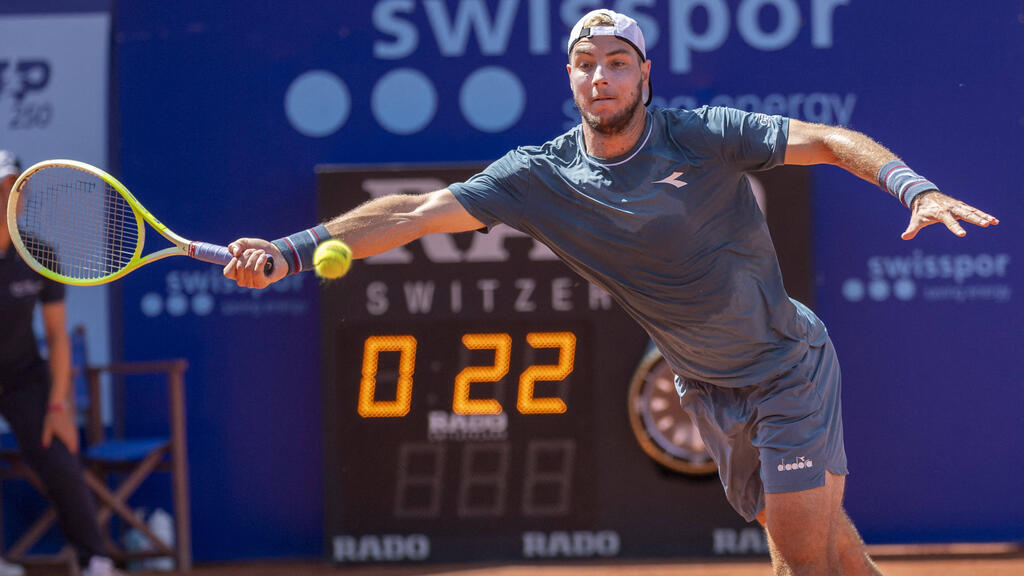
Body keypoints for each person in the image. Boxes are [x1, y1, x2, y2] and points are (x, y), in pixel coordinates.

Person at [223, 10, 998, 576]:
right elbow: (413, 214)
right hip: (705, 389)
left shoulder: (699, 133)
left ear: (644, 73)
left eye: (618, 61)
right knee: (831, 551)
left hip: (789, 367)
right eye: (587, 62)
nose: (602, 75)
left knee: (800, 563)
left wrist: (913, 188)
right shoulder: (537, 177)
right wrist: (292, 251)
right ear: (570, 77)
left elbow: (828, 141)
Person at [0, 150, 123, 576]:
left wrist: (58, 405)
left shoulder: (38, 252)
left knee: (60, 455)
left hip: (22, 378)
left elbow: (57, 337)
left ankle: (95, 560)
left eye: (12, 187)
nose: (5, 196)